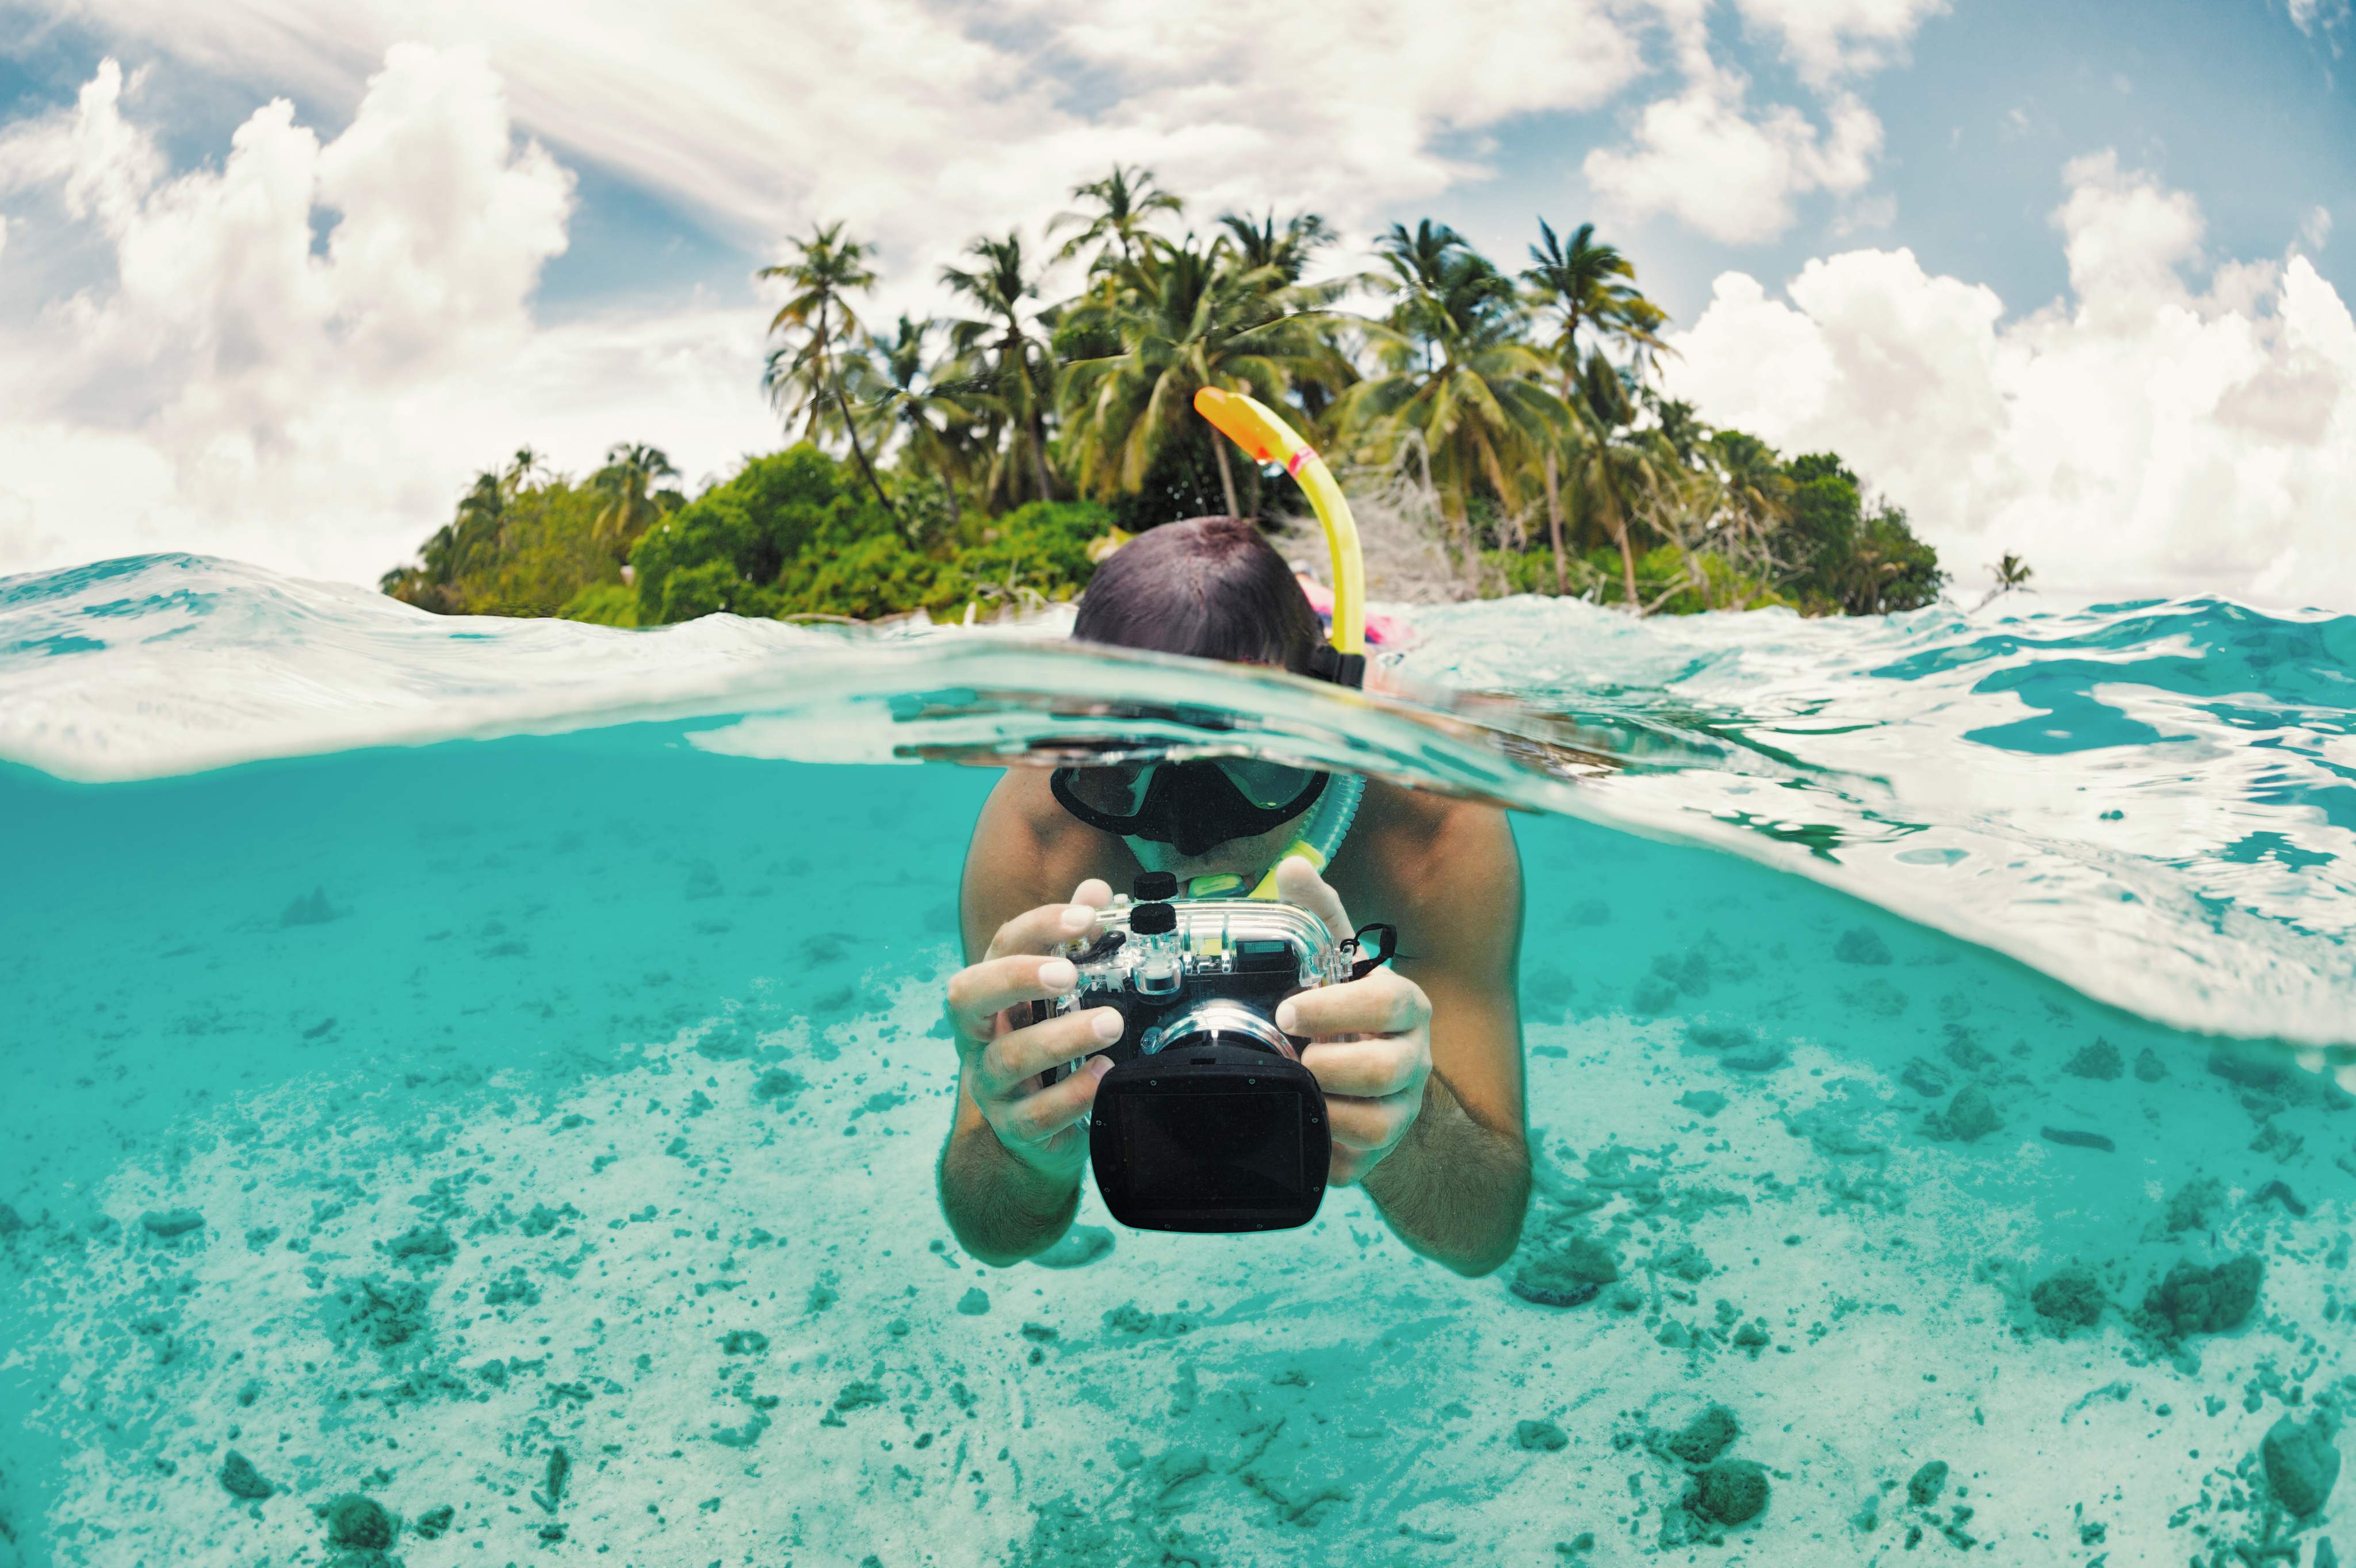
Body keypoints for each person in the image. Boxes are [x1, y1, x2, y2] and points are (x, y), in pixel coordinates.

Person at [936, 516, 1530, 1276]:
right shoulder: (1040, 828)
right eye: (1127, 770)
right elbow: (995, 1231)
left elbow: (1484, 1233)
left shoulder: (1432, 816)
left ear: (1323, 729)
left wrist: (1410, 1125)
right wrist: (1024, 1150)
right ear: (1083, 752)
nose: (1193, 831)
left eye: (1257, 764)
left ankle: (1318, 606)